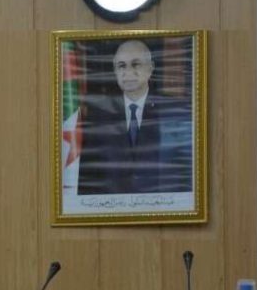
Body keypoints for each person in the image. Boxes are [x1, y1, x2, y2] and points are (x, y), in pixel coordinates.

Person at [77, 38, 193, 195]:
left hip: (163, 204)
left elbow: (186, 171)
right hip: (112, 206)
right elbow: (89, 174)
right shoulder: (100, 115)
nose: (128, 72)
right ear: (115, 71)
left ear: (150, 68)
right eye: (122, 66)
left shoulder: (172, 110)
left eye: (136, 64)